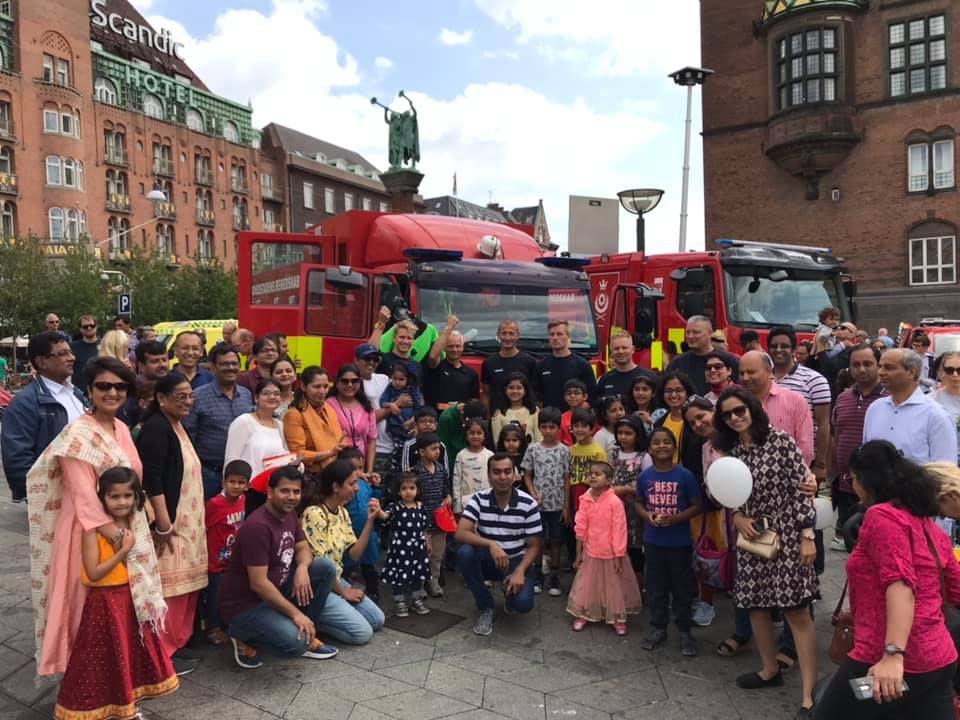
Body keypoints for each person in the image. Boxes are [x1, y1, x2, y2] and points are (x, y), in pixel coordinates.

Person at [813, 442, 960, 719]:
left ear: (866, 480)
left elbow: (900, 584)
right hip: (938, 663)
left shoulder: (882, 516)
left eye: (851, 478)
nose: (851, 485)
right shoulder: (928, 526)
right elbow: (954, 589)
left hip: (884, 664)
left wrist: (893, 655)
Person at [25, 357, 143, 677]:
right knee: (86, 613)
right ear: (89, 390)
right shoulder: (77, 434)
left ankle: (114, 685)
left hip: (123, 528)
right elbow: (84, 497)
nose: (112, 393)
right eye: (104, 386)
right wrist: (119, 539)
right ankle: (85, 690)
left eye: (120, 386)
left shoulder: (120, 427)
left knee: (118, 614)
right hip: (87, 534)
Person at [715, 388, 819, 717]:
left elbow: (803, 489)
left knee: (796, 611)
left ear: (752, 409)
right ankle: (769, 670)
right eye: (728, 414)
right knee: (757, 607)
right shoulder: (731, 451)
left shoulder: (781, 442)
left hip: (787, 535)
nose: (735, 417)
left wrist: (806, 534)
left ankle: (808, 694)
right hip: (753, 538)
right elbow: (730, 495)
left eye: (739, 410)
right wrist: (738, 517)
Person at [53, 467, 177, 720]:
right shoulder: (94, 528)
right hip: (105, 603)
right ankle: (92, 709)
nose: (122, 502)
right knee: (99, 660)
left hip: (133, 599)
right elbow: (94, 572)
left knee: (129, 656)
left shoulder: (137, 525)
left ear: (136, 497)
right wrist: (123, 550)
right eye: (114, 496)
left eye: (127, 496)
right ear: (102, 498)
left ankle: (128, 706)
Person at [219, 465, 339, 668]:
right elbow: (258, 584)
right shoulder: (258, 526)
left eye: (296, 491)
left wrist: (301, 569)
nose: (291, 497)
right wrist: (295, 614)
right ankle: (241, 635)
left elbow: (304, 548)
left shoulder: (290, 515)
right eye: (284, 491)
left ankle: (307, 631)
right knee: (295, 644)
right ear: (270, 492)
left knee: (324, 567)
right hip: (246, 605)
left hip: (277, 589)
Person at [136, 371, 208, 674]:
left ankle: (177, 642)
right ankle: (162, 651)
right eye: (181, 396)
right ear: (161, 398)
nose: (188, 401)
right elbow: (152, 477)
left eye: (190, 395)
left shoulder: (175, 424)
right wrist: (164, 523)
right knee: (171, 587)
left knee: (186, 586)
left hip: (188, 520)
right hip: (171, 522)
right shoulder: (155, 428)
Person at [456, 453, 543, 635]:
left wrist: (519, 571)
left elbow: (535, 545)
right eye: (496, 472)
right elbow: (461, 532)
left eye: (507, 472)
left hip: (517, 562)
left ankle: (510, 594)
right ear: (488, 475)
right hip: (489, 559)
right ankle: (486, 606)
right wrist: (491, 544)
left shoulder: (528, 504)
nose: (502, 477)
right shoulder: (479, 499)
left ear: (514, 474)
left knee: (523, 605)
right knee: (465, 552)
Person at [300, 460, 386, 645]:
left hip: (338, 581)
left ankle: (333, 615)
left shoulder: (342, 512)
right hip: (320, 586)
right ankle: (312, 619)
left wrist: (370, 521)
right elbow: (322, 566)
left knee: (377, 620)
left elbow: (354, 555)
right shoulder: (314, 513)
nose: (356, 488)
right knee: (362, 633)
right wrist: (343, 593)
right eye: (352, 483)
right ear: (336, 487)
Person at [635, 428, 703, 655]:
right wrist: (648, 517)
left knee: (682, 588)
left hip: (680, 543)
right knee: (656, 587)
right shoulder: (645, 476)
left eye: (667, 442)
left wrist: (676, 518)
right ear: (649, 449)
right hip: (653, 541)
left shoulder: (685, 475)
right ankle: (658, 627)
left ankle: (685, 631)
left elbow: (697, 505)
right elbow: (638, 503)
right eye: (656, 442)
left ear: (674, 448)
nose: (662, 446)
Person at [2, 331, 87, 503]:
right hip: (55, 498)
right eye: (62, 353)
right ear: (42, 362)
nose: (71, 358)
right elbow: (17, 459)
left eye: (70, 352)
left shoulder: (76, 393)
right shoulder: (24, 404)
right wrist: (42, 495)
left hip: (86, 491)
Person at [568, 461, 642, 635]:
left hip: (611, 553)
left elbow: (619, 529)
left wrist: (618, 555)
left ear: (609, 481)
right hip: (591, 551)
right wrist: (578, 553)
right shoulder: (585, 499)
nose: (593, 476)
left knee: (613, 585)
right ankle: (584, 612)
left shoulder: (614, 502)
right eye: (591, 473)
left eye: (598, 474)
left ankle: (617, 616)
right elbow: (580, 527)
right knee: (588, 584)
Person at [183, 344, 254, 500]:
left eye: (234, 363)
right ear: (212, 368)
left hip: (241, 477)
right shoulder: (197, 397)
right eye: (224, 364)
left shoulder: (246, 394)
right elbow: (188, 437)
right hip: (209, 475)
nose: (230, 368)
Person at [831, 345, 884, 550]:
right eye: (856, 365)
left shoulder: (888, 399)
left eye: (868, 364)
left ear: (878, 365)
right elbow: (837, 435)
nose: (862, 369)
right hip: (846, 486)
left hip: (876, 488)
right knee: (853, 547)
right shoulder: (843, 398)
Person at [864, 348, 957, 463]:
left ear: (911, 372)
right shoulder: (875, 408)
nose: (880, 372)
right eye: (880, 366)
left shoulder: (936, 415)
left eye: (888, 367)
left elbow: (945, 472)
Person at [768, 327, 831, 483]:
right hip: (766, 462)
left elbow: (823, 424)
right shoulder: (761, 379)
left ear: (794, 349)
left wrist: (821, 464)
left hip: (804, 463)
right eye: (774, 346)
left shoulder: (815, 380)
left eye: (784, 346)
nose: (778, 350)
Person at [522, 407, 571, 597]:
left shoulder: (564, 450)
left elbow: (567, 480)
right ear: (539, 427)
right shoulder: (533, 449)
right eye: (544, 427)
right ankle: (536, 575)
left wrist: (567, 507)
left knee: (557, 540)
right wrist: (533, 493)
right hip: (538, 506)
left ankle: (555, 576)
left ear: (559, 428)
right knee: (537, 540)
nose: (548, 431)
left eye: (552, 427)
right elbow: (527, 475)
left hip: (558, 505)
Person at [204, 459, 250, 645]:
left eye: (241, 482)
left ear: (247, 485)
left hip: (232, 558)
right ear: (224, 482)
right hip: (215, 560)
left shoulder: (243, 500)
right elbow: (203, 528)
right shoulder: (215, 504)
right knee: (215, 595)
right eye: (232, 482)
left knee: (228, 594)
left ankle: (226, 624)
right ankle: (212, 628)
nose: (236, 486)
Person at [738, 351, 814, 465]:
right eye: (741, 373)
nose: (745, 378)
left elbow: (805, 448)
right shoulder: (734, 404)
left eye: (751, 372)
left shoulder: (795, 402)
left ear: (769, 371)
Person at [376, 472, 432, 617]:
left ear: (417, 490)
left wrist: (427, 542)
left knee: (417, 574)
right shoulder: (395, 507)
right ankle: (399, 601)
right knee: (399, 574)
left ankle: (416, 598)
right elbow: (385, 516)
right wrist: (378, 511)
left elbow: (425, 527)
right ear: (398, 491)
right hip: (400, 548)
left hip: (418, 547)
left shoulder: (421, 507)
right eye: (404, 488)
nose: (408, 491)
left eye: (412, 488)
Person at [224, 380, 288, 495]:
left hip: (272, 490)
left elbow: (284, 456)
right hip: (247, 489)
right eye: (266, 393)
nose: (272, 397)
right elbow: (231, 459)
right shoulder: (244, 421)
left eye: (276, 393)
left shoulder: (280, 425)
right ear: (256, 398)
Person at [338, 447, 383, 602]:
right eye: (353, 468)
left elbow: (374, 499)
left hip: (367, 533)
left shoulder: (364, 484)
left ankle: (373, 591)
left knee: (369, 566)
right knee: (347, 564)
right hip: (349, 535)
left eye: (360, 468)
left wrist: (376, 488)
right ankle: (345, 591)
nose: (357, 472)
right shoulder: (342, 487)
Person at [284, 366, 346, 475]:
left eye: (325, 386)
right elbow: (297, 453)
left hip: (336, 472)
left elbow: (339, 440)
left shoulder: (329, 408)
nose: (322, 391)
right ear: (303, 386)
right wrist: (330, 453)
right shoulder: (294, 415)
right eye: (317, 387)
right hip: (310, 475)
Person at [608, 414, 650, 574]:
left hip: (635, 510)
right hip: (614, 509)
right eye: (620, 433)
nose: (623, 437)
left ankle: (637, 589)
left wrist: (626, 490)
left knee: (635, 550)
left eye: (628, 433)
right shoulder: (613, 453)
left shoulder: (644, 457)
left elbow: (647, 485)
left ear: (637, 434)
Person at [413, 432, 453, 597]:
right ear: (422, 452)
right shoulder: (415, 472)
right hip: (422, 520)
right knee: (423, 553)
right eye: (433, 448)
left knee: (437, 554)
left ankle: (434, 581)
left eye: (438, 449)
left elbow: (446, 490)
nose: (437, 452)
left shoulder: (441, 469)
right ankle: (420, 584)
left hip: (439, 519)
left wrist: (448, 497)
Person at [354, 343, 398, 479]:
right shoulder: (354, 384)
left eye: (375, 359)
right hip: (374, 448)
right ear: (356, 360)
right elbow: (367, 420)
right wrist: (394, 405)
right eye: (367, 359)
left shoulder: (384, 379)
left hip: (393, 444)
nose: (372, 362)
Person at [532, 320, 596, 411]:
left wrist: (576, 412)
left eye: (559, 334)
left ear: (568, 336)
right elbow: (535, 394)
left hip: (574, 421)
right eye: (552, 334)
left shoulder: (582, 365)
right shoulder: (541, 366)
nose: (555, 338)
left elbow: (593, 396)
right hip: (549, 421)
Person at [666, 316, 739, 395]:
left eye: (696, 332)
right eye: (688, 332)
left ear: (710, 333)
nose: (690, 336)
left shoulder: (729, 360)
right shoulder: (677, 363)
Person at [327, 364, 379, 475]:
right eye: (345, 381)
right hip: (336, 462)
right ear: (337, 383)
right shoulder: (327, 405)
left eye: (354, 381)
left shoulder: (366, 407)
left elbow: (372, 440)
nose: (350, 385)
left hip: (361, 463)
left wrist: (369, 469)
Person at [653, 372, 704, 479]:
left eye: (679, 390)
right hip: (665, 479)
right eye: (668, 391)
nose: (673, 395)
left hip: (692, 479)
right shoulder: (659, 423)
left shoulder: (697, 422)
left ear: (687, 393)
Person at [424, 314, 480, 409]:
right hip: (437, 419)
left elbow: (474, 402)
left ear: (462, 347)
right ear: (444, 347)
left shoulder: (471, 374)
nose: (454, 349)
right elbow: (433, 356)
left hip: (461, 420)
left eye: (458, 346)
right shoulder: (436, 367)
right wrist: (449, 327)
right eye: (450, 346)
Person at [481, 319, 537, 413]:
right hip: (497, 418)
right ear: (498, 335)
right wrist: (487, 420)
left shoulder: (529, 362)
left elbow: (534, 393)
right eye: (504, 333)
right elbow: (486, 394)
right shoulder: (489, 363)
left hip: (524, 418)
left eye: (511, 333)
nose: (507, 338)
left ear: (518, 335)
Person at [593, 331, 656, 403]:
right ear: (611, 351)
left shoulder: (650, 377)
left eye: (624, 348)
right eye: (616, 348)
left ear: (632, 349)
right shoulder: (605, 380)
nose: (620, 351)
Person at [453, 418, 494, 513]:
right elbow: (456, 481)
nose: (475, 436)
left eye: (479, 433)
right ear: (466, 435)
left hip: (487, 502)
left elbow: (493, 479)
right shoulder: (461, 455)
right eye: (472, 433)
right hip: (466, 503)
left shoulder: (490, 455)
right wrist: (457, 507)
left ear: (484, 435)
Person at [379, 363, 423, 448]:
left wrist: (413, 420)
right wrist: (392, 405)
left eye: (401, 379)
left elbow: (418, 407)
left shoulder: (412, 389)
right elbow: (382, 402)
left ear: (408, 379)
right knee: (399, 447)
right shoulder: (390, 388)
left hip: (411, 424)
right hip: (395, 425)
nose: (397, 382)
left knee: (410, 446)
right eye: (394, 379)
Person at [491, 371, 541, 446]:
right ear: (505, 389)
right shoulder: (498, 413)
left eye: (519, 388)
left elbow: (539, 439)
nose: (515, 391)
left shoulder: (534, 411)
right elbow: (497, 443)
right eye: (511, 388)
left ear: (525, 390)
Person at [932, 350, 960, 463]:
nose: (955, 375)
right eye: (949, 370)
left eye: (959, 370)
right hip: (943, 462)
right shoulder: (930, 401)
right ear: (941, 372)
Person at [70, 314, 100, 395]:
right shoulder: (71, 347)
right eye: (85, 326)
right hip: (78, 392)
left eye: (92, 325)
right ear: (80, 329)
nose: (89, 328)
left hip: (100, 390)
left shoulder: (105, 345)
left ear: (97, 327)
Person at [559, 378, 592, 445]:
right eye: (568, 393)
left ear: (585, 396)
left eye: (577, 393)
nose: (572, 396)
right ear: (564, 397)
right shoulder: (561, 418)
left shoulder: (592, 416)